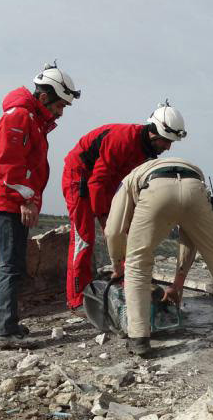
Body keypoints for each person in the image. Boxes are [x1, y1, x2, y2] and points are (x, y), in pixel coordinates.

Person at [105, 157, 213, 358]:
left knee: (137, 262)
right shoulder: (184, 167)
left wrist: (117, 264)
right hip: (196, 187)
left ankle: (139, 338)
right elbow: (190, 238)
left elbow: (113, 231)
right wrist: (177, 283)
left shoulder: (130, 178)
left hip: (155, 187)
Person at [0, 62, 79, 348]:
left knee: (11, 265)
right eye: (61, 104)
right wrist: (25, 199)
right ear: (46, 96)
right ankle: (5, 331)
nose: (61, 112)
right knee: (12, 267)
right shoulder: (19, 117)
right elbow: (10, 163)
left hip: (10, 199)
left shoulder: (30, 118)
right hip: (8, 200)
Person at [61, 101, 186, 310]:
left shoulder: (147, 151)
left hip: (108, 183)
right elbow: (96, 182)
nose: (168, 147)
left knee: (128, 233)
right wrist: (104, 219)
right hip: (80, 177)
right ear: (154, 132)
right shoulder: (122, 140)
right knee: (84, 238)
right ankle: (76, 301)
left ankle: (130, 282)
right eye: (166, 141)